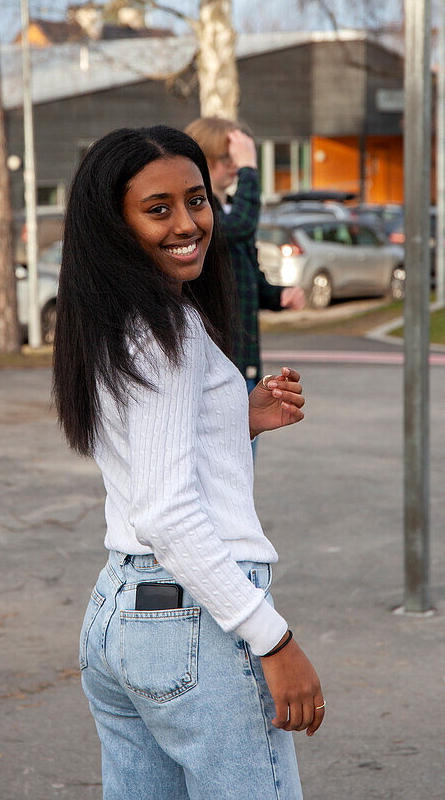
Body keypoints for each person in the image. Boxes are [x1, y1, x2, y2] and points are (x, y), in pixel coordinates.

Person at [53, 126, 324, 799]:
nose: (187, 224)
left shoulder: (117, 321)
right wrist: (272, 640)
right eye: (157, 209)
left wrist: (236, 419)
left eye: (196, 200)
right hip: (197, 624)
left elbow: (146, 456)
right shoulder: (163, 332)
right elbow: (168, 513)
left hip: (121, 614)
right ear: (113, 223)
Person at [185, 117, 305, 393]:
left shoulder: (233, 210)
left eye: (237, 159)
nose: (235, 166)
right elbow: (238, 228)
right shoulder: (197, 216)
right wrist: (250, 169)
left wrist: (279, 295)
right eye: (227, 157)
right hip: (214, 372)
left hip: (246, 368)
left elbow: (249, 280)